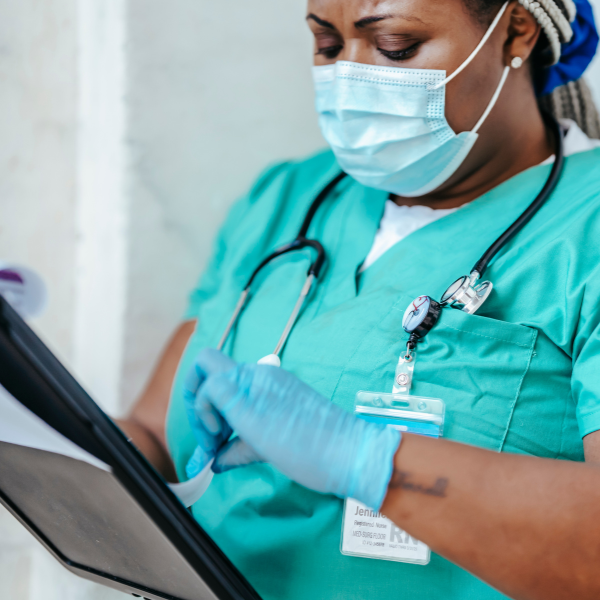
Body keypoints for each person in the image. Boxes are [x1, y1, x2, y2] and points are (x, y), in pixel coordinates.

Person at [117, 0, 600, 598]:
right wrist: (44, 437)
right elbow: (154, 436)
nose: (349, 76)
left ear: (514, 33)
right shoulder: (289, 196)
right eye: (326, 45)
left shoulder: (586, 228)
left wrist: (367, 460)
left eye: (395, 46)